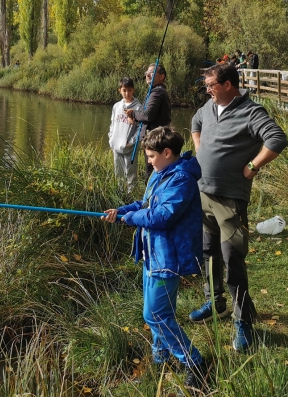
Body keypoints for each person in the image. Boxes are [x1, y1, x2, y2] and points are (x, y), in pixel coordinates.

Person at [190, 64, 288, 352]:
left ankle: (242, 320)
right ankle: (215, 300)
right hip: (202, 192)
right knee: (208, 252)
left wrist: (252, 166)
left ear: (229, 85)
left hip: (230, 198)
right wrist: (198, 147)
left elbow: (277, 138)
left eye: (211, 85)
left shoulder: (251, 111)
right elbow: (195, 122)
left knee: (232, 258)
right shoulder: (208, 107)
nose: (207, 89)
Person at [102, 127, 208, 391]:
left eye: (150, 156)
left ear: (167, 153)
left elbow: (163, 216)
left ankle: (194, 362)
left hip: (167, 258)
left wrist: (132, 219)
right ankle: (160, 360)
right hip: (152, 254)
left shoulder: (181, 179)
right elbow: (146, 204)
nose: (148, 161)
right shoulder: (161, 173)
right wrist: (122, 211)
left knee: (156, 315)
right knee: (160, 312)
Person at [126, 63, 171, 178]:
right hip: (155, 138)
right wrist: (136, 119)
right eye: (146, 73)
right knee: (152, 170)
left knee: (152, 173)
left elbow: (147, 115)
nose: (148, 75)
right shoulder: (156, 91)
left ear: (162, 77)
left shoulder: (157, 92)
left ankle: (151, 195)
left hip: (156, 139)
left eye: (152, 72)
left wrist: (133, 113)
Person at [109, 77, 142, 191]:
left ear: (133, 90)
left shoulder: (138, 107)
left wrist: (131, 142)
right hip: (116, 146)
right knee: (118, 173)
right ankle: (119, 194)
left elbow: (141, 129)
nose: (127, 93)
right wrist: (111, 138)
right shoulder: (116, 106)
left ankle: (131, 197)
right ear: (120, 90)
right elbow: (112, 124)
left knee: (131, 174)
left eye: (129, 90)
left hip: (130, 147)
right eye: (124, 90)